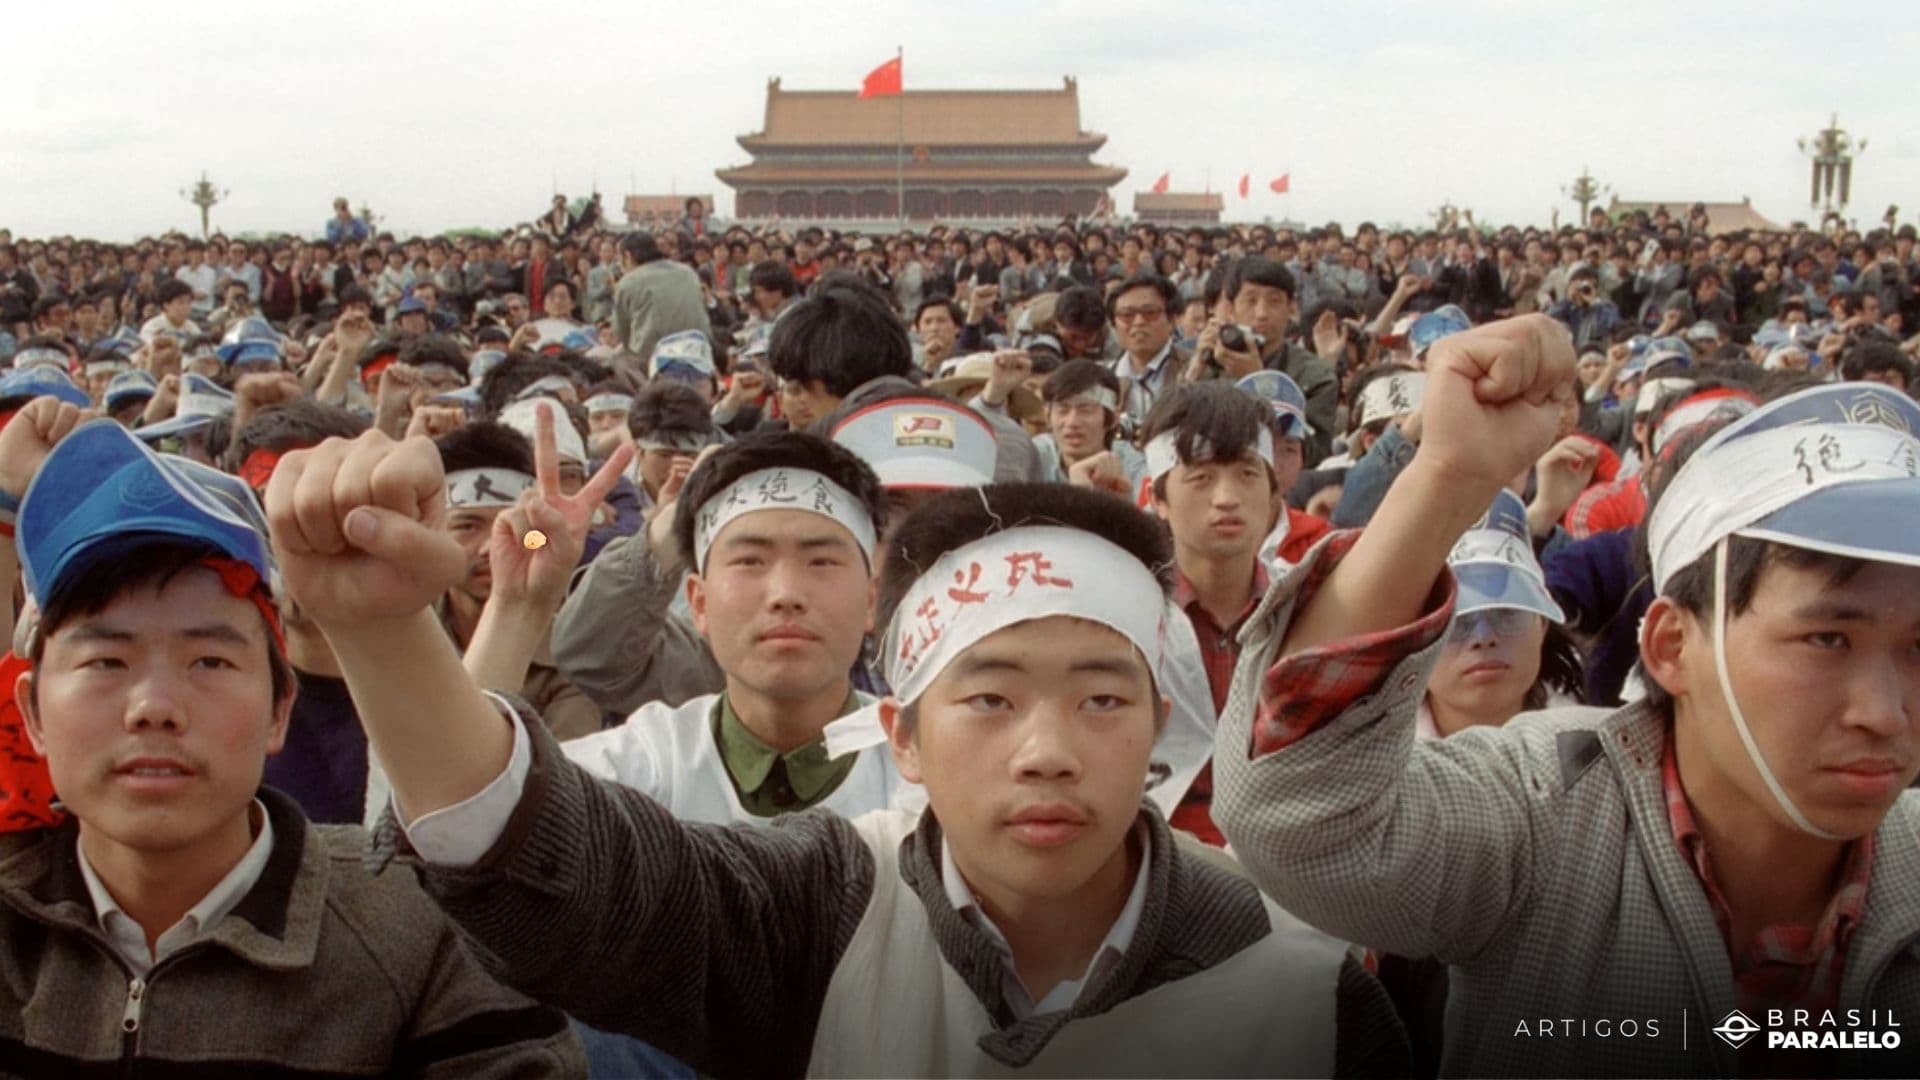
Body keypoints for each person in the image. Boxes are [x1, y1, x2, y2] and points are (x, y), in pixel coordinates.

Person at [261, 438, 1410, 1075]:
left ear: (1162, 726)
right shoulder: (826, 906)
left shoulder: (1302, 995)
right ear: (900, 734)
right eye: (991, 698)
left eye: (1103, 698)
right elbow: (566, 872)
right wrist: (386, 634)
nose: (1049, 752)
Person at [1215, 314, 1920, 1076]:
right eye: (1827, 640)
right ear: (1672, 646)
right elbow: (1298, 817)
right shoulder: (1539, 815)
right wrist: (1447, 477)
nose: (1883, 713)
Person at [0, 404, 581, 1074]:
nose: (153, 707)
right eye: (107, 662)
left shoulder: (423, 939)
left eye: (209, 662)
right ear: (33, 712)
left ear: (280, 707)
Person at [561, 429, 918, 823]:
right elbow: (497, 804)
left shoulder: (930, 773)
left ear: (871, 600)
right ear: (699, 602)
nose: (785, 594)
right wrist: (523, 585)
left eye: (821, 562)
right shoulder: (640, 766)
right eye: (750, 561)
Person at [611, 232, 710, 376]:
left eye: (619, 258)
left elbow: (621, 332)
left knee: (618, 360)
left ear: (627, 256)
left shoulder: (628, 282)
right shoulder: (688, 272)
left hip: (655, 358)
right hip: (699, 349)